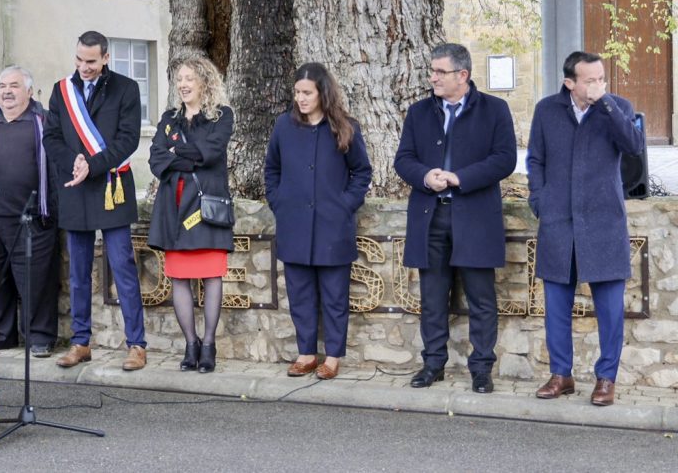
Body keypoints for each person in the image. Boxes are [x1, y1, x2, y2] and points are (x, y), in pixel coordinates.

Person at [394, 43, 516, 394]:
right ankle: (433, 364)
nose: (432, 77)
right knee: (432, 298)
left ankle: (481, 368)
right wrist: (424, 176)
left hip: (475, 217)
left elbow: (505, 159)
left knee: (481, 298)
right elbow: (403, 159)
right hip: (430, 217)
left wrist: (459, 177)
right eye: (432, 71)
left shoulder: (495, 110)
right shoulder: (418, 112)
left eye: (440, 72)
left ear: (462, 75)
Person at [527, 51, 642, 407]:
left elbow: (634, 146)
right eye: (589, 80)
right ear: (570, 82)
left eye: (601, 78)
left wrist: (604, 102)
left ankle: (606, 378)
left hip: (604, 222)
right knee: (556, 305)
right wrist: (540, 201)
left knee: (609, 309)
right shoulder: (547, 110)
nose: (597, 85)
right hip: (559, 222)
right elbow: (535, 159)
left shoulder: (616, 106)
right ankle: (561, 374)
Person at [43, 31, 147, 371]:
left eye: (91, 61)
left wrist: (93, 164)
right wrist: (74, 161)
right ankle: (81, 341)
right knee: (78, 273)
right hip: (75, 186)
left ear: (105, 58)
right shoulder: (62, 92)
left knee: (123, 268)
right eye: (79, 60)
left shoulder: (126, 88)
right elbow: (52, 137)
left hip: (111, 185)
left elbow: (128, 139)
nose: (83, 67)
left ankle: (136, 345)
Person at [265, 63, 372, 379]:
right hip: (294, 224)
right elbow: (272, 169)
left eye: (307, 92)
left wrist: (345, 205)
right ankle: (306, 353)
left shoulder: (345, 127)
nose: (300, 98)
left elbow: (361, 171)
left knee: (335, 296)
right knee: (300, 295)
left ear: (322, 93)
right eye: (297, 92)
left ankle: (334, 357)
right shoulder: (284, 126)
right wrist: (279, 201)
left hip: (332, 227)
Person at [148, 56, 234, 373]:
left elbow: (210, 153)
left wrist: (176, 153)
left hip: (205, 208)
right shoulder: (169, 119)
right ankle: (191, 344)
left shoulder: (221, 117)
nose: (183, 84)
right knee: (179, 278)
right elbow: (156, 160)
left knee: (212, 276)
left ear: (204, 82)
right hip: (173, 208)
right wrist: (182, 157)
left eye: (189, 78)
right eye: (179, 79)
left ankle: (209, 346)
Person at [0, 66, 59, 358]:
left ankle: (40, 338)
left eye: (15, 86)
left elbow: (57, 167)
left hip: (33, 218)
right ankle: (1, 334)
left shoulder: (44, 122)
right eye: (3, 85)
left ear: (30, 91)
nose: (7, 91)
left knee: (36, 282)